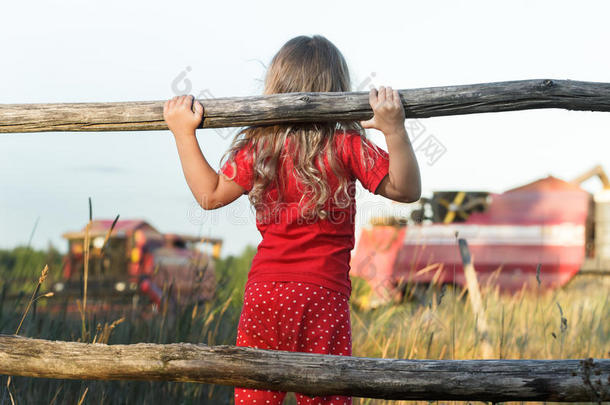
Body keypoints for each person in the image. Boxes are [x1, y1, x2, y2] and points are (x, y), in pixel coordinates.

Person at [163, 35, 421, 405]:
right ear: (338, 89)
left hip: (264, 295)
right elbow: (406, 189)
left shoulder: (261, 145)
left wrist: (183, 133)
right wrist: (394, 129)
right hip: (322, 296)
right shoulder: (345, 143)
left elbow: (210, 195)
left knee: (256, 398)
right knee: (325, 398)